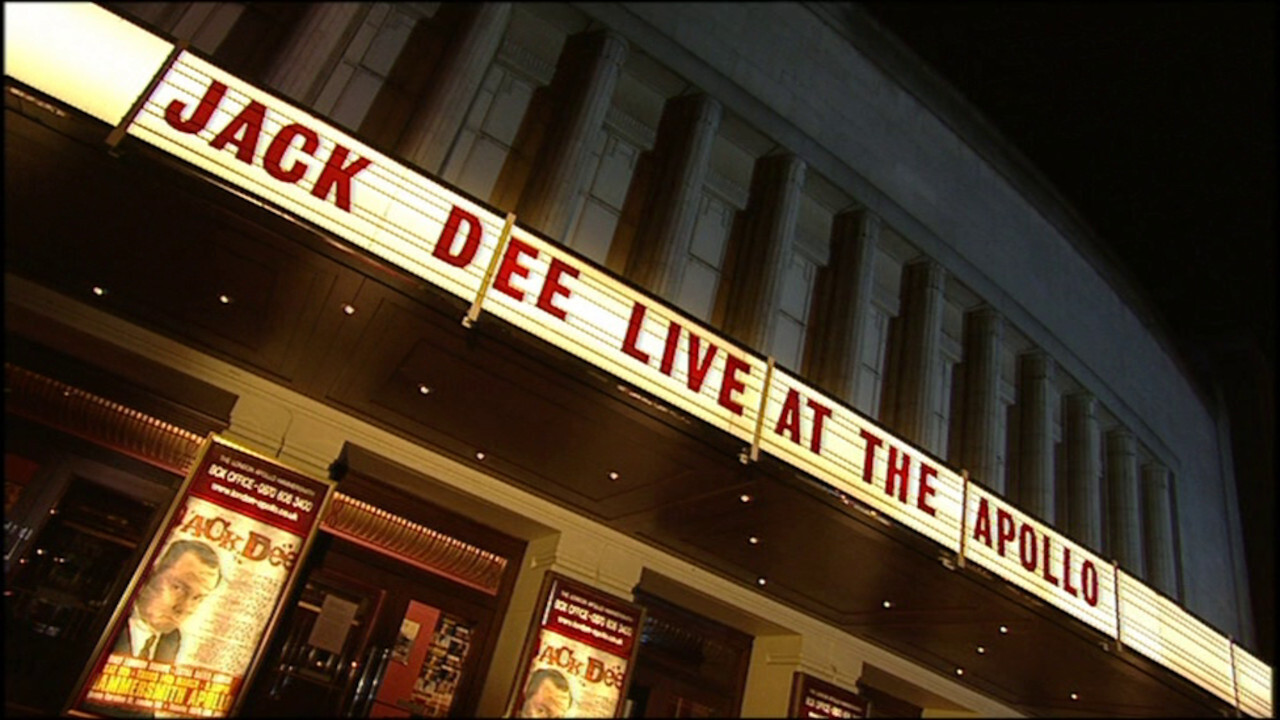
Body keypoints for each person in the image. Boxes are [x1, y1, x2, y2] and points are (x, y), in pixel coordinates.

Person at [113, 539, 222, 663]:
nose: (184, 608)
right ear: (151, 573)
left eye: (197, 598)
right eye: (178, 588)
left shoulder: (172, 639)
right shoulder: (114, 620)